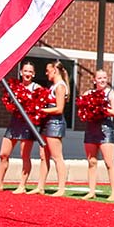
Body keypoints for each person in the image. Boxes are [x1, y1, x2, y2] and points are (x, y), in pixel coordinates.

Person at [0, 62, 40, 193]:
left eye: (30, 72)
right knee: (3, 154)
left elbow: (40, 107)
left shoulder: (37, 88)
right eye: (25, 71)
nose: (27, 74)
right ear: (21, 72)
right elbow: (8, 103)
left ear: (33, 74)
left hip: (28, 124)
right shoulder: (15, 87)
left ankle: (22, 185)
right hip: (14, 123)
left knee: (24, 155)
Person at [79, 68, 114, 200]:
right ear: (94, 80)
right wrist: (89, 109)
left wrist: (101, 108)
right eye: (99, 78)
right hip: (91, 129)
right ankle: (91, 191)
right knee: (91, 161)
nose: (102, 80)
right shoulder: (88, 93)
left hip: (105, 129)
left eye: (104, 78)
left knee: (109, 162)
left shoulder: (111, 94)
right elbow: (82, 112)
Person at [35, 61, 70, 196]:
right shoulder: (53, 86)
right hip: (47, 123)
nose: (46, 73)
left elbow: (59, 108)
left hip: (55, 124)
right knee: (44, 156)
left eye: (47, 70)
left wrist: (42, 110)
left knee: (57, 157)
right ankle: (40, 186)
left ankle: (61, 188)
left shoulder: (60, 87)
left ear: (55, 70)